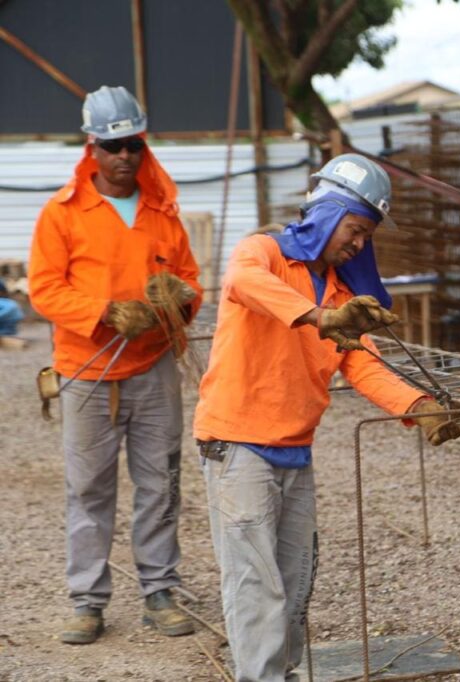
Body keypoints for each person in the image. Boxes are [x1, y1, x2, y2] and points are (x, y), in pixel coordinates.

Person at [193, 153, 460, 681]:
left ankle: (285, 672)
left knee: (295, 581)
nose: (359, 244)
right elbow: (240, 283)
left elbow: (364, 364)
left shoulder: (342, 292)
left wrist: (420, 407)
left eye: (367, 236)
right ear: (327, 212)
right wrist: (321, 317)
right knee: (256, 584)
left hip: (294, 447)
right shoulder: (264, 254)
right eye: (355, 229)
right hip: (237, 443)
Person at [28, 86, 202, 644]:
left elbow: (191, 280)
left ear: (142, 144)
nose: (124, 157)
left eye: (132, 145)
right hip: (87, 373)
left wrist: (179, 300)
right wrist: (104, 312)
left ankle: (159, 591)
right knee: (90, 489)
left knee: (160, 483)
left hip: (154, 371)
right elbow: (44, 290)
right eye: (112, 146)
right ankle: (87, 601)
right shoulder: (62, 214)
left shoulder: (162, 212)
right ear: (92, 148)